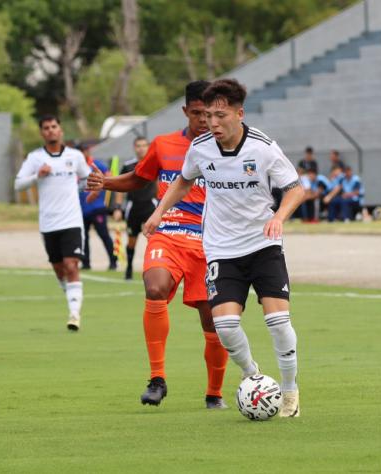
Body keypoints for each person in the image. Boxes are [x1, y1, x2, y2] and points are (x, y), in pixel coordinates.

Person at [144, 78, 305, 417]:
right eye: (207, 116)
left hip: (263, 246)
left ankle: (290, 392)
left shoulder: (262, 147)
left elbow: (294, 188)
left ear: (238, 113)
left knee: (277, 320)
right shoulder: (201, 148)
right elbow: (183, 181)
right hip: (221, 250)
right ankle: (254, 378)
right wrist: (158, 213)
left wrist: (279, 216)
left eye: (219, 115)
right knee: (226, 327)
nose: (211, 123)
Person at [86, 80, 230, 409]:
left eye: (209, 115)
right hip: (168, 233)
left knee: (213, 320)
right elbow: (140, 177)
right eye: (197, 114)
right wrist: (107, 181)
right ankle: (157, 379)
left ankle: (214, 393)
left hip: (211, 242)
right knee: (154, 288)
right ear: (185, 111)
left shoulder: (227, 148)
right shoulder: (164, 144)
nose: (204, 121)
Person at [15, 116, 91, 331]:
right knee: (59, 269)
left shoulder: (74, 156)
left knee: (71, 265)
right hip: (48, 223)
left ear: (61, 130)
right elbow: (18, 185)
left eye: (54, 127)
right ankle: (71, 299)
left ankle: (74, 314)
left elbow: (86, 179)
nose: (51, 131)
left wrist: (91, 190)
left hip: (72, 220)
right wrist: (36, 177)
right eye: (46, 128)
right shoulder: (35, 158)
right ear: (42, 133)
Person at [112, 136, 157, 280]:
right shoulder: (128, 166)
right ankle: (129, 268)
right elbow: (120, 187)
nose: (141, 148)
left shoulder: (155, 163)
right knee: (132, 240)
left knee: (154, 240)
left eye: (144, 145)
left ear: (148, 147)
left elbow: (163, 183)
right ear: (134, 147)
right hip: (134, 207)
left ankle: (153, 271)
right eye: (138, 145)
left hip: (151, 206)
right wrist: (118, 207)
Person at [79, 154, 118, 270]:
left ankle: (113, 261)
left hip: (97, 207)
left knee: (104, 235)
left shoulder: (96, 164)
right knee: (83, 237)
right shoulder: (76, 166)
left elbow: (109, 176)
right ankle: (85, 263)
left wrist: (99, 190)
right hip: (81, 209)